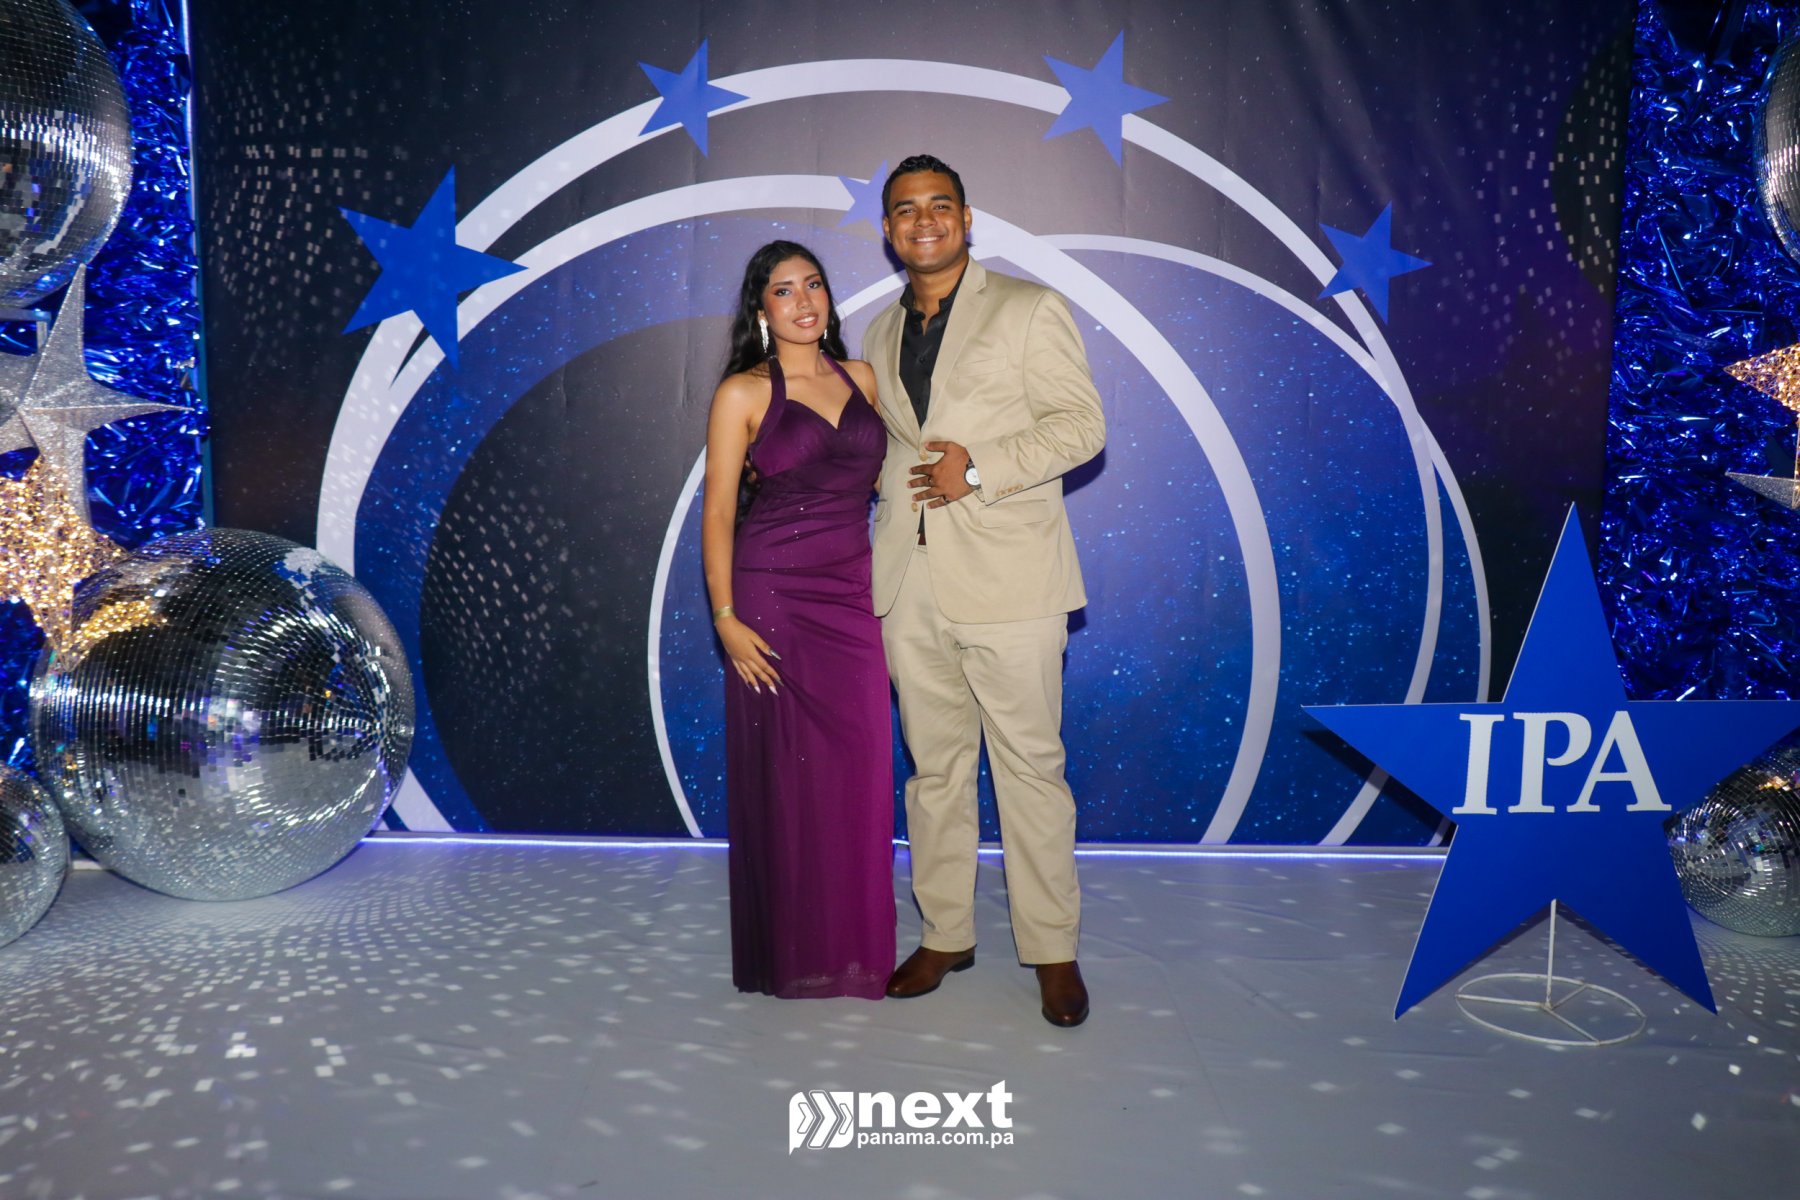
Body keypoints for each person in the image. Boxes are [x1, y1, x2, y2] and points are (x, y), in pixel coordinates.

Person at [863, 155, 1105, 1027]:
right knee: (934, 771)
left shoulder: (1029, 307)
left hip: (1013, 578)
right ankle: (946, 934)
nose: (923, 220)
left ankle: (1052, 950)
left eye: (940, 205)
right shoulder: (878, 332)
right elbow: (891, 447)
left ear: (967, 219)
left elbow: (1082, 426)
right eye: (906, 209)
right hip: (909, 581)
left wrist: (980, 470)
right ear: (887, 230)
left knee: (1031, 769)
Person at [701, 240, 895, 999]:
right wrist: (724, 615)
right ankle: (790, 953)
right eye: (783, 290)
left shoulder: (863, 378)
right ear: (762, 310)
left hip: (852, 594)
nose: (803, 300)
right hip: (772, 596)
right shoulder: (742, 393)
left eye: (813, 284)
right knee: (788, 776)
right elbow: (720, 512)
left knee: (857, 772)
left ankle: (853, 947)